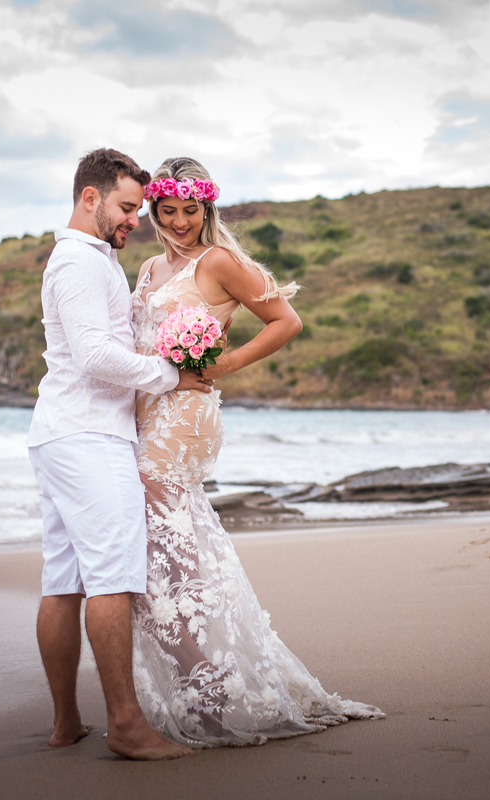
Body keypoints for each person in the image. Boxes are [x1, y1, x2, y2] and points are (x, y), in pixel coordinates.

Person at [128, 156, 384, 747]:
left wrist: (225, 363)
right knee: (165, 542)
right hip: (147, 408)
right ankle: (205, 682)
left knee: (165, 537)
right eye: (168, 211)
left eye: (191, 210)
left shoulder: (219, 261)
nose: (180, 222)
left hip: (187, 411)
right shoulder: (146, 266)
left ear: (206, 206)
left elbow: (285, 321)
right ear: (154, 210)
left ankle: (209, 688)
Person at [25, 148, 211, 761]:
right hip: (90, 437)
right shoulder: (79, 262)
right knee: (111, 579)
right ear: (90, 198)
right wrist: (169, 375)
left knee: (64, 580)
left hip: (61, 433)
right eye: (128, 207)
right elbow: (96, 357)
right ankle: (127, 724)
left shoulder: (91, 259)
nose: (137, 219)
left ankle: (65, 723)